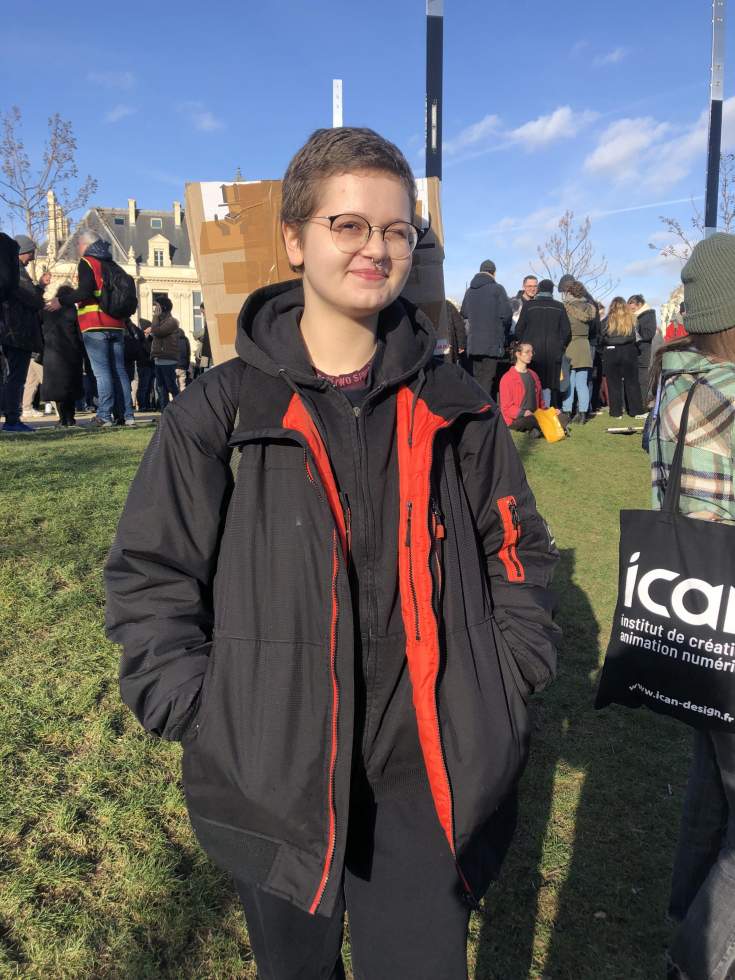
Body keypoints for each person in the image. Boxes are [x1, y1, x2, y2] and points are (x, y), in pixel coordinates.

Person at [106, 126, 561, 980]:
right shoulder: (223, 411)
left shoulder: (457, 406)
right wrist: (206, 716)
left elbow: (518, 553)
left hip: (427, 761)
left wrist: (507, 676)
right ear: (294, 240)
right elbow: (150, 576)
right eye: (347, 226)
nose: (374, 249)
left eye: (395, 230)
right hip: (270, 765)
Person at [646, 233, 735, 980]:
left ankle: (688, 912)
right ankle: (701, 957)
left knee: (711, 784)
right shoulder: (727, 399)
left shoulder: (674, 386)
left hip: (697, 626)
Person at [46, 231, 135, 428]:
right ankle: (127, 415)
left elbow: (84, 291)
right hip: (117, 324)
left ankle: (104, 415)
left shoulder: (88, 262)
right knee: (119, 371)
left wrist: (61, 301)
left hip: (94, 323)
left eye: (78, 244)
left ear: (86, 245)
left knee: (102, 372)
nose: (77, 248)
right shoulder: (113, 265)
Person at [0, 235, 48, 433]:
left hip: (11, 330)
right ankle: (12, 418)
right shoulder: (16, 274)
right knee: (16, 377)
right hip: (18, 332)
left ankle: (12, 416)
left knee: (12, 376)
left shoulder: (11, 275)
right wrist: (40, 292)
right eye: (31, 254)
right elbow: (34, 300)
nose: (32, 259)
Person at [515, 278, 572, 407]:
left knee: (533, 381)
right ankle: (549, 409)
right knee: (551, 384)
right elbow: (567, 331)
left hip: (532, 351)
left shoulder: (529, 306)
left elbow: (519, 329)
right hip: (554, 351)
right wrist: (561, 345)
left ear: (539, 289)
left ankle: (533, 408)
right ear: (552, 291)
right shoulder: (559, 306)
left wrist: (524, 344)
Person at [460, 258, 512, 398]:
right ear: (493, 273)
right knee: (489, 379)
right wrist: (504, 334)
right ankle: (485, 412)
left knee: (477, 377)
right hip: (492, 343)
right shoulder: (498, 289)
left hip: (474, 344)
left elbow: (464, 313)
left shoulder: (469, 291)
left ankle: (478, 408)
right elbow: (507, 315)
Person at [499, 340, 568, 438]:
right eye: (527, 352)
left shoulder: (533, 375)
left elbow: (541, 404)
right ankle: (544, 429)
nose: (531, 354)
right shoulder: (507, 378)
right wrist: (523, 413)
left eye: (532, 352)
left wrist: (551, 411)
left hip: (537, 415)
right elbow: (506, 408)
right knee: (532, 419)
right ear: (518, 354)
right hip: (518, 419)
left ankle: (537, 430)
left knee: (563, 417)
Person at [40, 285, 85, 427]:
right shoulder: (74, 312)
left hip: (52, 353)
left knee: (57, 389)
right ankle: (70, 417)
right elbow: (80, 335)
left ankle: (62, 418)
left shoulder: (46, 311)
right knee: (71, 387)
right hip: (71, 353)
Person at [600, 297, 644, 419]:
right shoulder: (633, 320)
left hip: (611, 351)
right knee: (632, 382)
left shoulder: (606, 321)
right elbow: (638, 337)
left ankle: (616, 412)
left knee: (613, 383)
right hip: (629, 351)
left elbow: (601, 338)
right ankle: (636, 411)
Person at [561, 280, 597, 423]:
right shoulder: (589, 308)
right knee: (582, 383)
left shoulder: (566, 308)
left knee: (569, 382)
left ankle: (567, 411)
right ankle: (582, 413)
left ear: (569, 292)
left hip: (570, 345)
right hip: (584, 345)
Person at [146, 297, 180, 409]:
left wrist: (155, 318)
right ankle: (164, 410)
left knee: (170, 386)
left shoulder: (172, 321)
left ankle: (181, 407)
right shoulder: (159, 322)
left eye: (157, 306)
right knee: (160, 387)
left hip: (168, 359)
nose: (155, 309)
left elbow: (158, 332)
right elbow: (155, 333)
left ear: (163, 308)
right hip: (158, 359)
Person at [627, 293, 657, 408]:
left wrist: (636, 330)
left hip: (643, 351)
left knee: (642, 379)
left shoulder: (648, 315)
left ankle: (642, 403)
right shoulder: (633, 316)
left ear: (639, 305)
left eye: (633, 308)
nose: (631, 311)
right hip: (632, 351)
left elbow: (649, 334)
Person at [175, 326, 191, 392]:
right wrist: (187, 365)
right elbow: (188, 353)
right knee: (182, 386)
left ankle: (173, 401)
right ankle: (182, 401)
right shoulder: (186, 339)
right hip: (183, 366)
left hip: (173, 366)